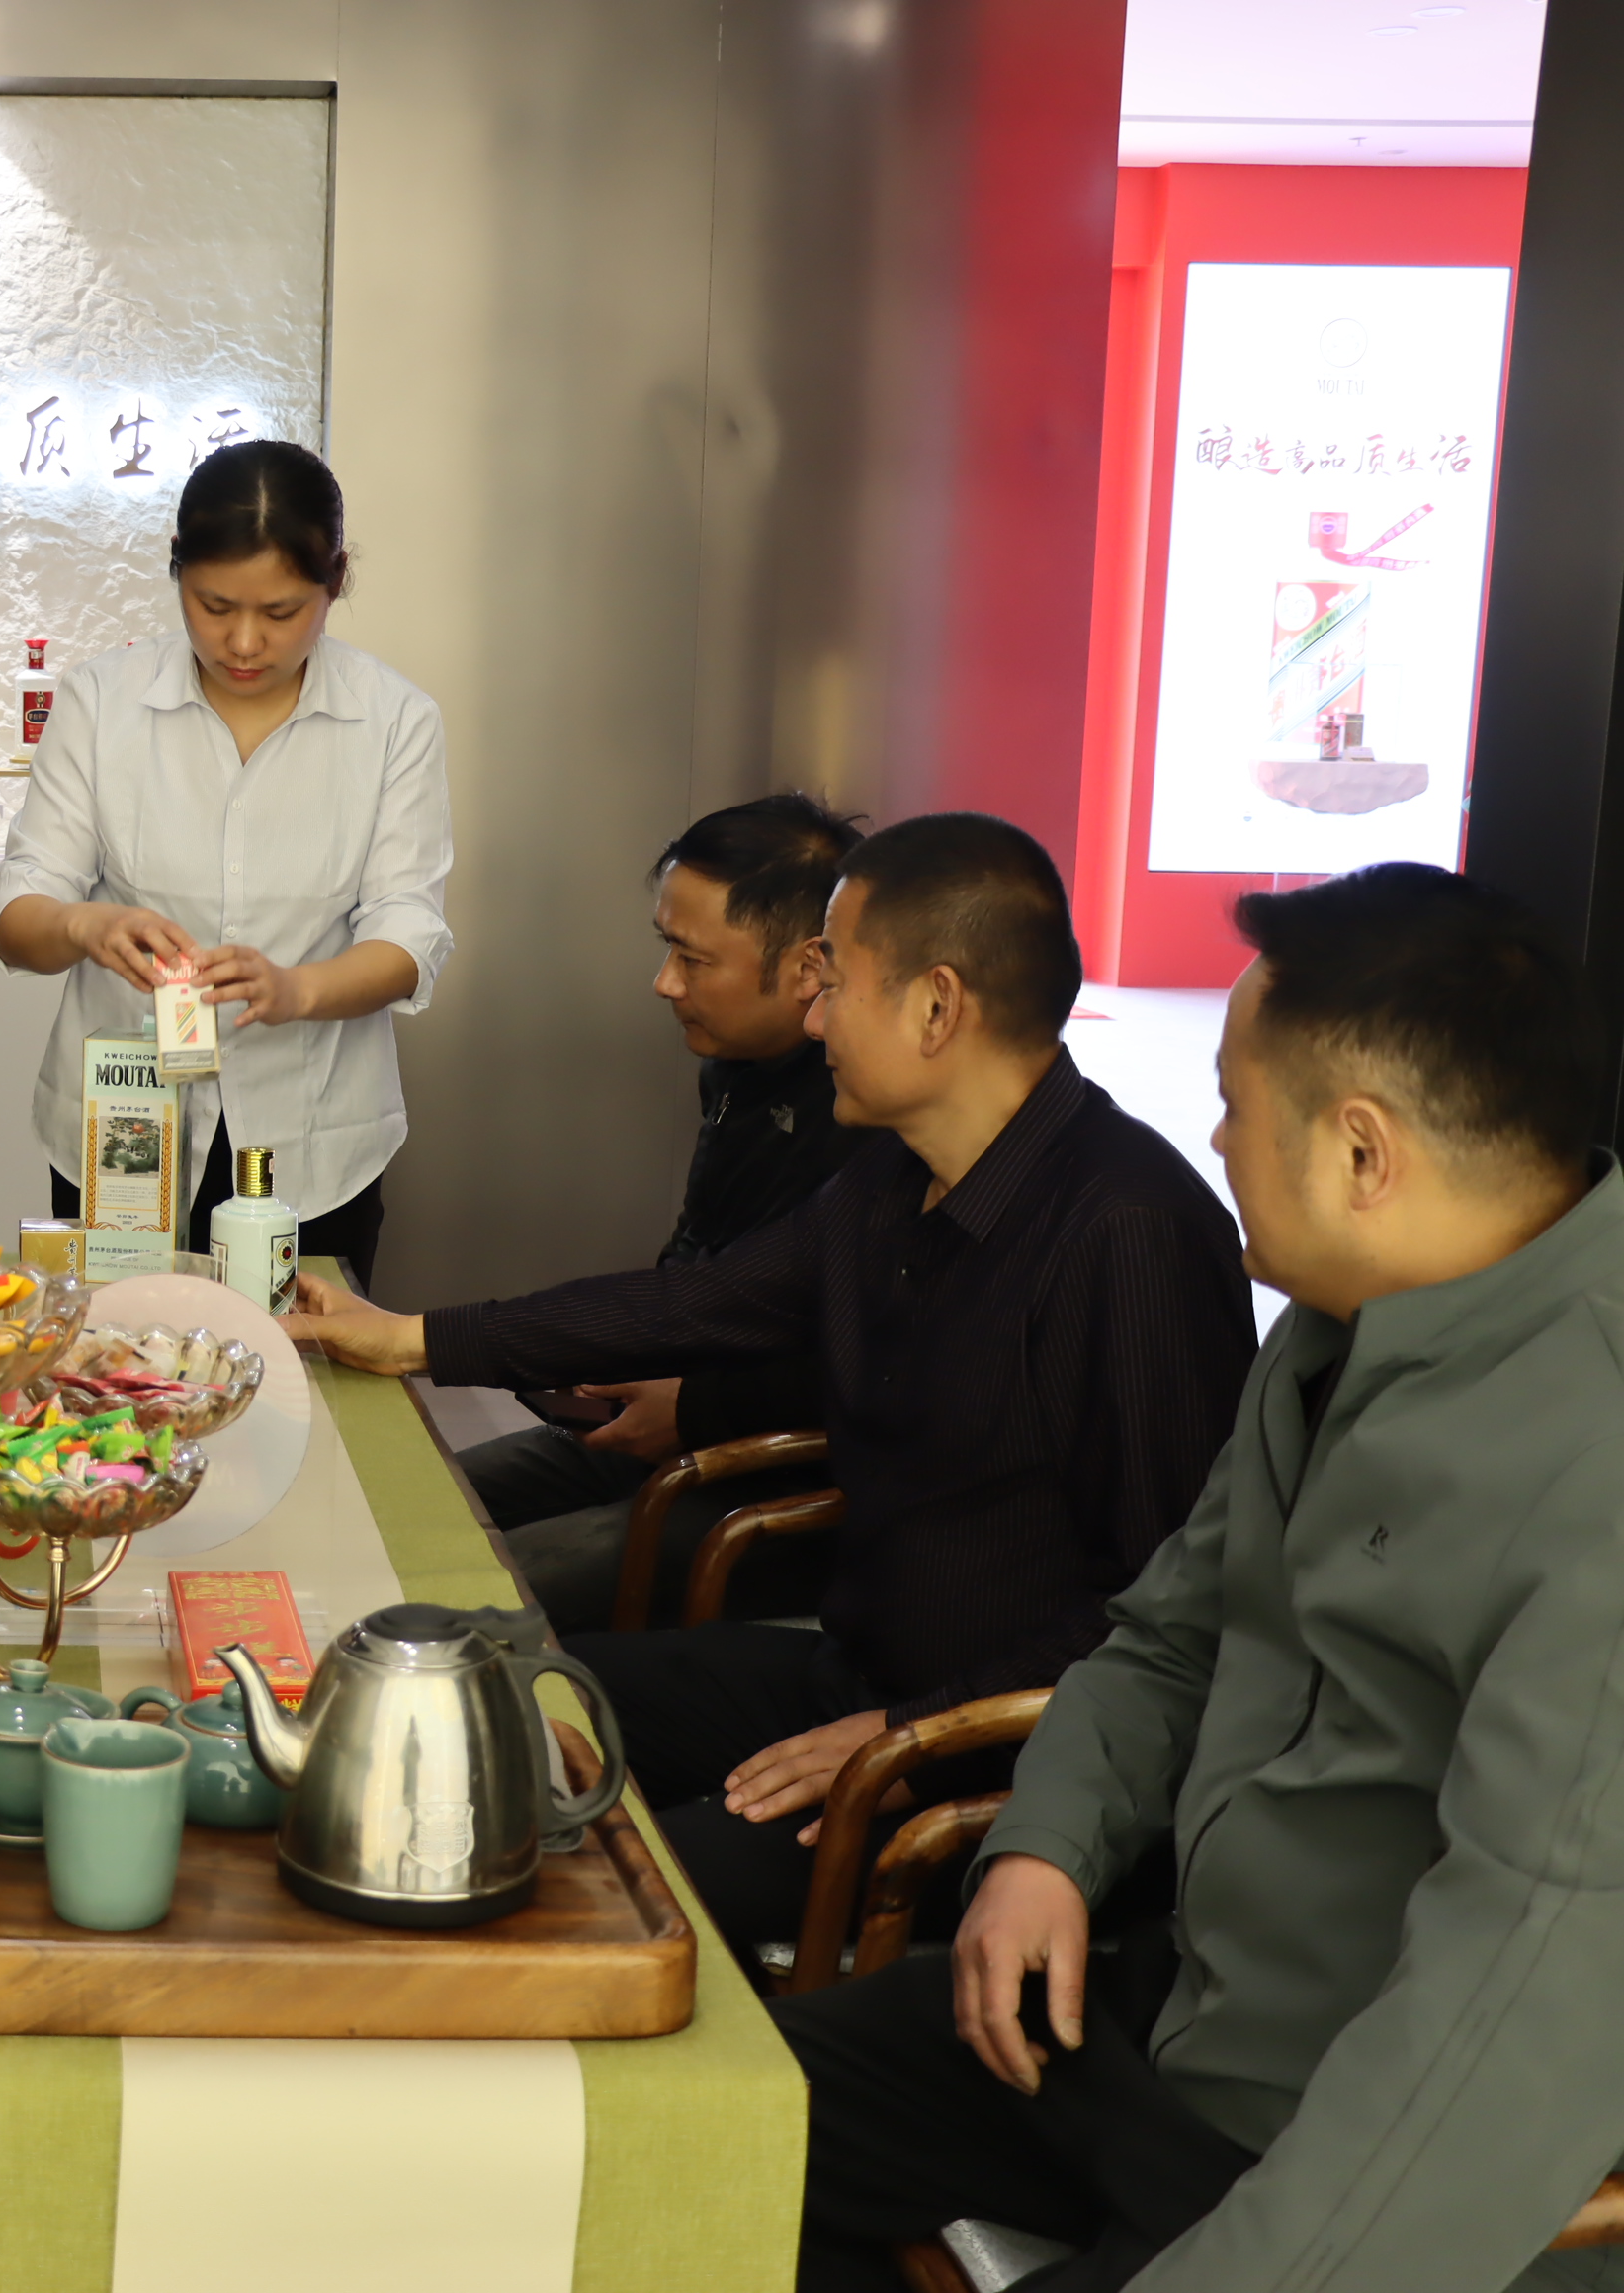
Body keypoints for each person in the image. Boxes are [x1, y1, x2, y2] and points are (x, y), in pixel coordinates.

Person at [778, 864, 1624, 2293]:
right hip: (1165, 2022)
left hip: (1340, 2146)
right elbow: (1168, 1638)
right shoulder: (1338, 1328)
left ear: (1362, 1152)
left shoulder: (1591, 1459)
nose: (1214, 1139)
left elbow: (1505, 2024)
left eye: (1233, 1105)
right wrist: (1045, 1844)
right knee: (693, 2125)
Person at [285, 813, 1253, 1962]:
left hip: (986, 1763)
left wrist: (910, 1737)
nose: (812, 1016)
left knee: (579, 1892)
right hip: (856, 1683)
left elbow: (1162, 1613)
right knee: (478, 1701)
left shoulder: (1129, 1231)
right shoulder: (898, 1176)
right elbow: (689, 1306)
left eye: (833, 983)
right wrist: (410, 1337)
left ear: (936, 1006)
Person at [0, 440, 453, 1284]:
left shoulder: (393, 721)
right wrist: (86, 926)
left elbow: (409, 933)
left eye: (281, 612)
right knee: (116, 1354)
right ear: (176, 570)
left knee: (303, 1358)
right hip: (123, 1134)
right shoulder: (102, 702)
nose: (243, 642)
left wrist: (296, 990)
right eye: (213, 606)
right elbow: (19, 917)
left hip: (315, 1144)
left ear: (335, 581)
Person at [455, 792, 867, 1631]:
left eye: (692, 959)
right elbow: (696, 1265)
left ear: (808, 967)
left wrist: (698, 1407)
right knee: (423, 1505)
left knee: (466, 1597)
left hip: (779, 1473)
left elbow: (867, 1361)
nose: (665, 983)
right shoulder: (737, 1063)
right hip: (673, 1417)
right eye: (666, 948)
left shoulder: (869, 1108)